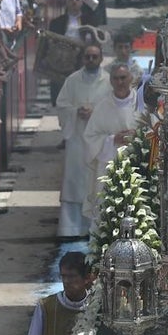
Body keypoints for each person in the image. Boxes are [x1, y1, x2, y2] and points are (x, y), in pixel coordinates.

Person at [54, 45, 110, 238]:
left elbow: (113, 107)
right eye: (88, 57)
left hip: (99, 142)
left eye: (95, 56)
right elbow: (62, 105)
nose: (91, 60)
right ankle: (71, 228)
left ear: (101, 58)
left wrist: (95, 113)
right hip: (77, 138)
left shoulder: (109, 81)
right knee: (75, 182)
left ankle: (96, 228)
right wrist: (76, 111)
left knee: (96, 182)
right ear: (83, 59)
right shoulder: (72, 80)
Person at [82, 65, 139, 224]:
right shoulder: (102, 107)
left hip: (136, 165)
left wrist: (137, 135)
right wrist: (113, 139)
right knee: (107, 211)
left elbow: (152, 133)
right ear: (111, 81)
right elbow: (90, 137)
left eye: (123, 78)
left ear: (131, 79)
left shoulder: (140, 104)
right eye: (116, 78)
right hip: (108, 167)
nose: (120, 82)